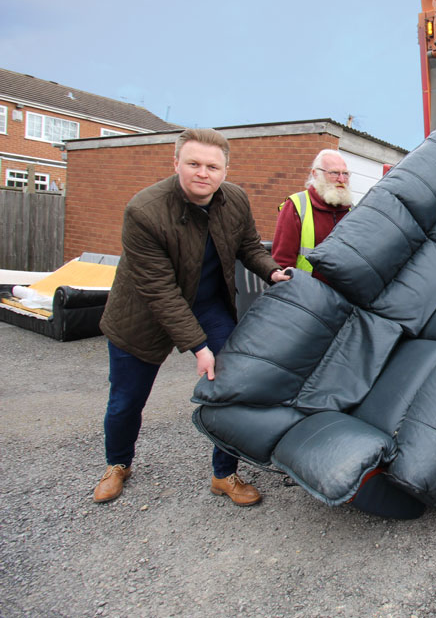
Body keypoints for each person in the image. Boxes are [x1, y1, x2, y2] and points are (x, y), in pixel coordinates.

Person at [94, 128, 291, 506]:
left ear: (225, 170)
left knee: (232, 385)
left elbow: (249, 246)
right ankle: (118, 463)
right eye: (194, 164)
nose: (203, 173)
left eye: (213, 166)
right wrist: (199, 347)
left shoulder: (234, 199)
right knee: (126, 400)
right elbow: (160, 291)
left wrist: (271, 271)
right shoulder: (143, 211)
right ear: (176, 164)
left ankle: (224, 474)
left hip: (207, 304)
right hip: (142, 313)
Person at [271, 149, 353, 281]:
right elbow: (282, 263)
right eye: (334, 173)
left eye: (345, 174)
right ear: (315, 174)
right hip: (305, 295)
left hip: (343, 297)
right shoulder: (296, 205)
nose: (342, 179)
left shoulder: (352, 212)